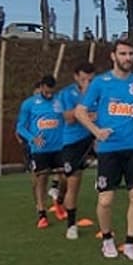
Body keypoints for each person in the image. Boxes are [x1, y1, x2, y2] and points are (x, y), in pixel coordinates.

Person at [75, 40, 133, 261]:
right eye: (123, 53)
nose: (128, 58)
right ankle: (107, 238)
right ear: (113, 56)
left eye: (131, 54)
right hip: (109, 149)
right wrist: (96, 131)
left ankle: (130, 243)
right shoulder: (100, 83)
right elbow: (81, 112)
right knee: (105, 200)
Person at [15, 75, 66, 229]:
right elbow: (21, 127)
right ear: (42, 87)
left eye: (52, 92)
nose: (50, 95)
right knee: (41, 179)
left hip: (59, 148)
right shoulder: (29, 104)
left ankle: (59, 201)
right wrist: (32, 139)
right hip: (40, 149)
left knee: (65, 179)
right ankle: (42, 213)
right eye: (47, 92)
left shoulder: (60, 101)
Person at [58, 62, 96, 240]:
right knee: (73, 183)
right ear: (76, 77)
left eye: (90, 79)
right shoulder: (67, 93)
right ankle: (71, 224)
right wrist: (84, 111)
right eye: (83, 79)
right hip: (72, 142)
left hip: (92, 137)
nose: (87, 82)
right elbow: (69, 118)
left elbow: (101, 115)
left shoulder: (98, 93)